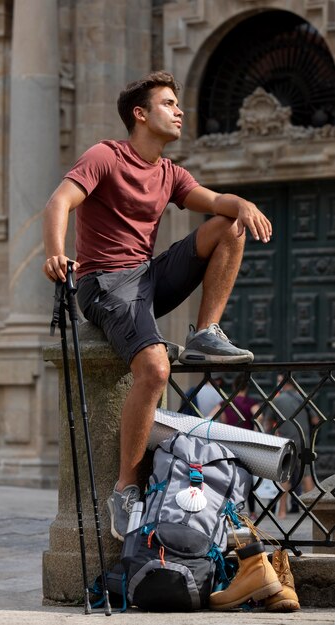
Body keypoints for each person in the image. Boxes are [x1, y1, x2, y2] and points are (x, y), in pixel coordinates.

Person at [42, 71, 272, 541]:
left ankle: (205, 331)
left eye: (179, 103)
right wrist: (55, 251)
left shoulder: (169, 171)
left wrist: (241, 202)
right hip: (104, 282)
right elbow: (59, 201)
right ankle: (126, 487)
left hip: (147, 278)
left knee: (227, 225)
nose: (180, 110)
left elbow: (212, 200)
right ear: (141, 115)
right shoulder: (106, 156)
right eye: (169, 103)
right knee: (156, 369)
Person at [264, 376, 315, 518]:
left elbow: (268, 423)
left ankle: (281, 512)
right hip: (304, 440)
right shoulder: (303, 398)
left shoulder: (277, 400)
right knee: (307, 475)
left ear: (282, 384)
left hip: (286, 442)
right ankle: (310, 513)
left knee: (284, 476)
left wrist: (269, 436)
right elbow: (316, 419)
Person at [212, 372, 262, 519]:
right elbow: (259, 420)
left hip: (230, 443)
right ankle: (252, 511)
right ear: (247, 388)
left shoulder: (226, 403)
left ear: (234, 386)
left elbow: (213, 417)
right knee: (249, 478)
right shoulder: (251, 403)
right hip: (246, 443)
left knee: (230, 476)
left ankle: (229, 508)